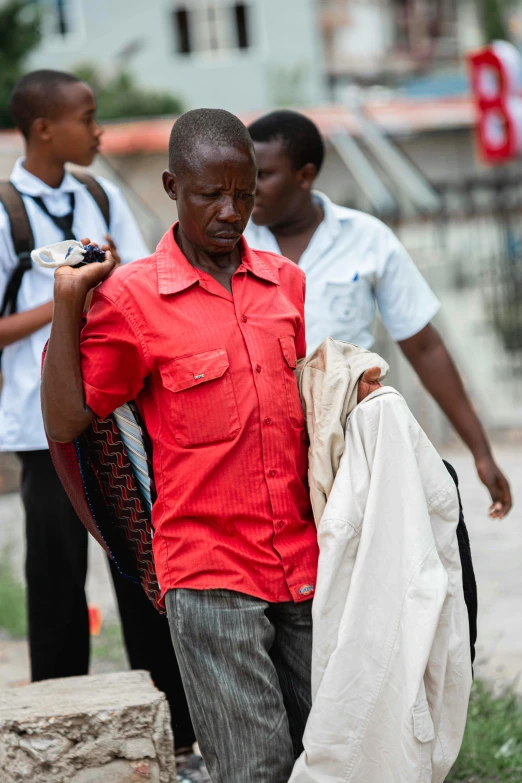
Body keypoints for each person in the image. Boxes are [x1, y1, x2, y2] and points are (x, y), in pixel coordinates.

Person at [40, 108, 381, 783]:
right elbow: (68, 418)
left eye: (246, 193)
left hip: (305, 565)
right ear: (172, 185)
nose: (232, 211)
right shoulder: (133, 299)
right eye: (210, 194)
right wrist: (66, 301)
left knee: (334, 757)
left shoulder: (285, 282)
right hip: (208, 572)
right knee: (254, 766)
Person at [0, 70, 197, 764]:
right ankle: (54, 739)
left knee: (143, 567)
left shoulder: (100, 193)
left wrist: (106, 285)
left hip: (114, 417)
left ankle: (174, 729)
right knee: (55, 579)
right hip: (40, 423)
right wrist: (66, 298)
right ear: (45, 128)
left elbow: (144, 284)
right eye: (87, 118)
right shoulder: (5, 211)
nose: (100, 130)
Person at [245, 109, 512, 520]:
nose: (250, 188)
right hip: (261, 445)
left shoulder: (367, 239)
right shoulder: (233, 245)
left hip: (354, 441)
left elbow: (424, 346)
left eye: (263, 175)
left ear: (305, 175)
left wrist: (480, 451)